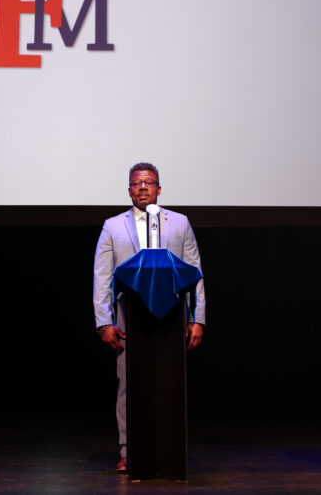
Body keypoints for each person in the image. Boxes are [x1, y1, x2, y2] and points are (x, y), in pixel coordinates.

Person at [93, 162, 205, 473]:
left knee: (170, 383)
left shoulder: (180, 223)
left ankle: (170, 447)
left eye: (149, 182)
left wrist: (198, 319)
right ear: (129, 189)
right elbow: (102, 277)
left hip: (172, 316)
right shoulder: (113, 226)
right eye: (137, 183)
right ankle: (129, 450)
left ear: (159, 189)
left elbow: (195, 274)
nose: (143, 187)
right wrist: (104, 322)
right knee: (128, 384)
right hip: (130, 316)